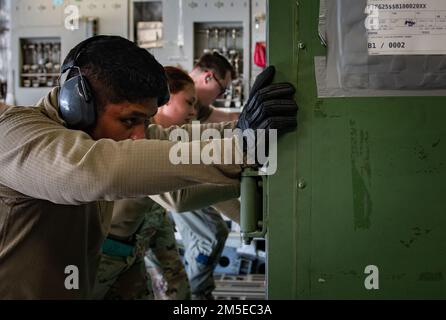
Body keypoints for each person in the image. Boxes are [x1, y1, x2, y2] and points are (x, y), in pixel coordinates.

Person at [0, 35, 297, 299]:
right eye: (129, 120)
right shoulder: (14, 134)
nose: (140, 134)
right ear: (76, 104)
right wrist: (239, 150)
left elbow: (176, 139)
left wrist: (252, 127)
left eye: (145, 120)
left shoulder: (107, 130)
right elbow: (94, 171)